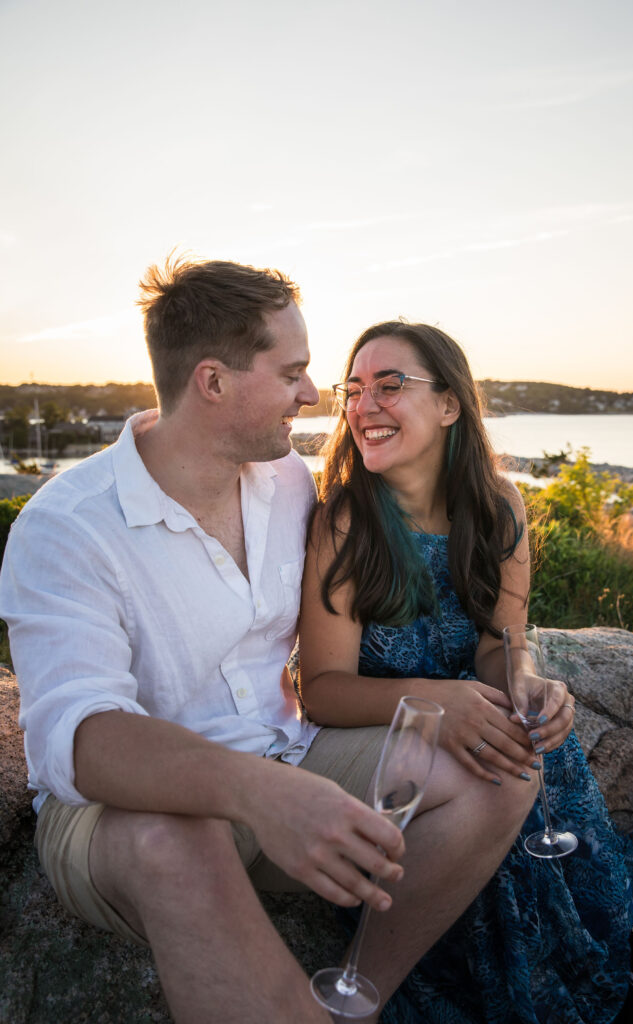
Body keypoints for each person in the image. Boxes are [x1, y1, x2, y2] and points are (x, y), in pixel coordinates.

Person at [0, 258, 540, 1024]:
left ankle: (357, 994)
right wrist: (257, 791)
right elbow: (82, 740)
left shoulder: (288, 480)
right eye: (293, 372)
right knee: (178, 842)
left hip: (288, 759)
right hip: (125, 813)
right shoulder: (66, 527)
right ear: (213, 383)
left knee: (499, 771)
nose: (317, 396)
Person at [297, 320, 633, 1023]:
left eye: (390, 386)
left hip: (487, 722)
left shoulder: (498, 503)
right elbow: (320, 693)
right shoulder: (345, 521)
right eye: (352, 389)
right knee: (495, 775)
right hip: (393, 737)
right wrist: (443, 705)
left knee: (535, 768)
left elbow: (498, 639)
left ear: (449, 405)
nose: (362, 405)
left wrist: (527, 676)